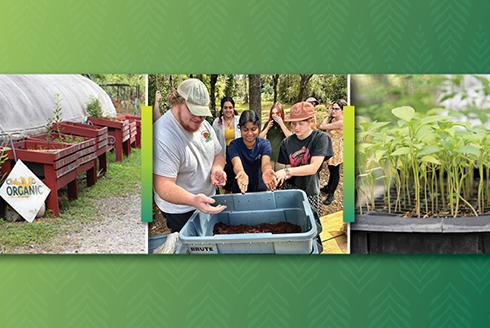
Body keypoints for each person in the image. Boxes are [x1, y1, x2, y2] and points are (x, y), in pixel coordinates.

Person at [153, 79, 227, 232]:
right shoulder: (162, 134)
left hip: (207, 198)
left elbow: (218, 153)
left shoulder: (204, 125)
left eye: (203, 113)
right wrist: (193, 200)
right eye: (194, 111)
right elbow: (163, 185)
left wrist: (217, 168)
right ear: (176, 101)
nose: (199, 118)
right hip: (180, 209)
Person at [275, 102, 333, 216]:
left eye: (301, 124)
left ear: (311, 121)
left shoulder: (321, 138)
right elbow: (288, 170)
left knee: (311, 222)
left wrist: (286, 171)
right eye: (293, 123)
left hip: (310, 190)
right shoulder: (287, 142)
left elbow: (313, 168)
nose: (296, 127)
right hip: (291, 190)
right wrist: (277, 177)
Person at [227, 110, 276, 194]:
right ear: (240, 129)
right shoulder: (234, 145)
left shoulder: (264, 144)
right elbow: (237, 164)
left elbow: (265, 163)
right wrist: (240, 172)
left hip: (259, 189)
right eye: (245, 130)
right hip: (240, 188)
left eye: (253, 129)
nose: (250, 134)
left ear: (258, 128)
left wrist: (267, 171)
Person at [318, 99, 345, 205]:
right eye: (332, 108)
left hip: (336, 149)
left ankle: (331, 193)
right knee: (330, 169)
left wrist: (327, 116)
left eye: (336, 109)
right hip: (329, 147)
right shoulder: (334, 121)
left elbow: (323, 126)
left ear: (342, 110)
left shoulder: (341, 122)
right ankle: (328, 187)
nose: (333, 111)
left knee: (335, 172)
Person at [258, 102, 291, 171]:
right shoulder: (269, 123)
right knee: (270, 178)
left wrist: (281, 124)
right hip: (269, 155)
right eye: (273, 113)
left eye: (277, 113)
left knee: (280, 179)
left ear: (281, 113)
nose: (275, 115)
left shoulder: (286, 124)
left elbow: (290, 137)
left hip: (281, 156)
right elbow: (260, 138)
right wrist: (267, 128)